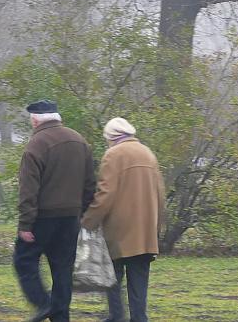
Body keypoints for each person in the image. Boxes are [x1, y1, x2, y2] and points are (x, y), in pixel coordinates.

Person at [14, 99, 96, 322]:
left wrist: (25, 225)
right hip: (70, 218)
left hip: (42, 218)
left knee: (24, 260)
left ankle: (43, 304)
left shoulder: (36, 144)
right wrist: (82, 213)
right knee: (62, 271)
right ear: (57, 117)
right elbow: (90, 184)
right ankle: (61, 317)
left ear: (34, 120)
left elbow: (28, 189)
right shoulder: (80, 141)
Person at [82, 117, 165, 322]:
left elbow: (105, 194)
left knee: (113, 278)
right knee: (139, 280)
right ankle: (139, 318)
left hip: (119, 231)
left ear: (111, 137)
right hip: (145, 232)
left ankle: (116, 317)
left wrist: (88, 221)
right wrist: (156, 228)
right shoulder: (148, 153)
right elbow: (160, 195)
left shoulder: (113, 155)